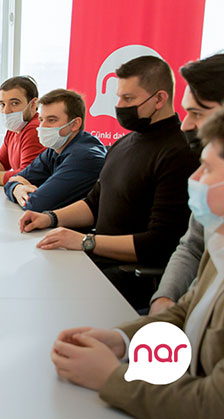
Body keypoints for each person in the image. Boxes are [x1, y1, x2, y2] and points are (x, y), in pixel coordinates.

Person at [50, 108, 224, 418]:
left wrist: (111, 376)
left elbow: (212, 403)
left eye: (207, 169)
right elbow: (186, 311)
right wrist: (121, 340)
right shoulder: (218, 245)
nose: (194, 179)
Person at [19, 56, 198, 309]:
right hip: (98, 260)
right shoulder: (124, 144)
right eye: (119, 97)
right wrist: (49, 218)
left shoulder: (179, 153)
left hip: (130, 275)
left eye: (129, 99)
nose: (119, 106)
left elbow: (159, 243)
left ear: (159, 99)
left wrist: (85, 241)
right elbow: (94, 203)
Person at [150, 53, 224, 315]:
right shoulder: (210, 176)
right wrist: (164, 298)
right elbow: (192, 245)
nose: (185, 125)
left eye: (197, 114)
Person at [3, 89, 106, 212]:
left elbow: (37, 204)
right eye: (41, 120)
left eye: (52, 120)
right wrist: (17, 188)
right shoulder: (55, 149)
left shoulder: (85, 157)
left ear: (75, 124)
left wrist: (21, 189)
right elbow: (13, 180)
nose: (42, 126)